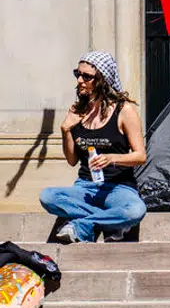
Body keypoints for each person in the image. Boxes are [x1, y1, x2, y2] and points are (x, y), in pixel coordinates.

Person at [41, 52, 148, 244]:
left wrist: (111, 158)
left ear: (102, 80)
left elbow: (140, 156)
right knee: (48, 196)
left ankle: (83, 224)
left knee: (135, 210)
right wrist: (65, 130)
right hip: (85, 186)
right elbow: (72, 160)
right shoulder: (77, 110)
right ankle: (109, 219)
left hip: (118, 187)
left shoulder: (124, 111)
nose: (80, 80)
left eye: (87, 76)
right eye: (78, 74)